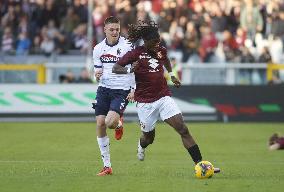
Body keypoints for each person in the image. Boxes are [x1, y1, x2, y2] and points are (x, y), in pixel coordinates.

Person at [112, 20, 220, 173]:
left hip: (163, 97)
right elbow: (116, 68)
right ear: (146, 41)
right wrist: (130, 70)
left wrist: (172, 74)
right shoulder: (135, 54)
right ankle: (141, 145)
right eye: (154, 42)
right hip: (145, 103)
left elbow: (166, 60)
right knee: (149, 138)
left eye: (159, 41)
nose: (157, 45)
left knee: (183, 129)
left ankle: (201, 164)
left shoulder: (160, 50)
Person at [92, 16, 135, 176]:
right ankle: (107, 166)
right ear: (105, 30)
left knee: (110, 122)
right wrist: (96, 74)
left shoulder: (127, 46)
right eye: (111, 29)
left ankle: (117, 123)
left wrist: (133, 89)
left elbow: (134, 68)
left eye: (117, 29)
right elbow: (96, 71)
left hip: (121, 90)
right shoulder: (98, 49)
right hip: (103, 88)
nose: (115, 32)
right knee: (100, 123)